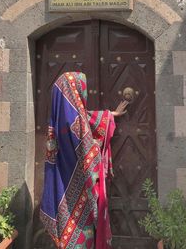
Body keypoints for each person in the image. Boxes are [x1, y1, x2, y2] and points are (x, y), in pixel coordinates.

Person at [40, 72, 128, 249]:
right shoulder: (76, 120)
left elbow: (85, 119)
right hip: (80, 186)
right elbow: (87, 148)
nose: (84, 94)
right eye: (82, 89)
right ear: (75, 91)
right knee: (80, 233)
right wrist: (96, 146)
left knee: (65, 224)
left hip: (61, 183)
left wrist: (110, 114)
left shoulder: (59, 117)